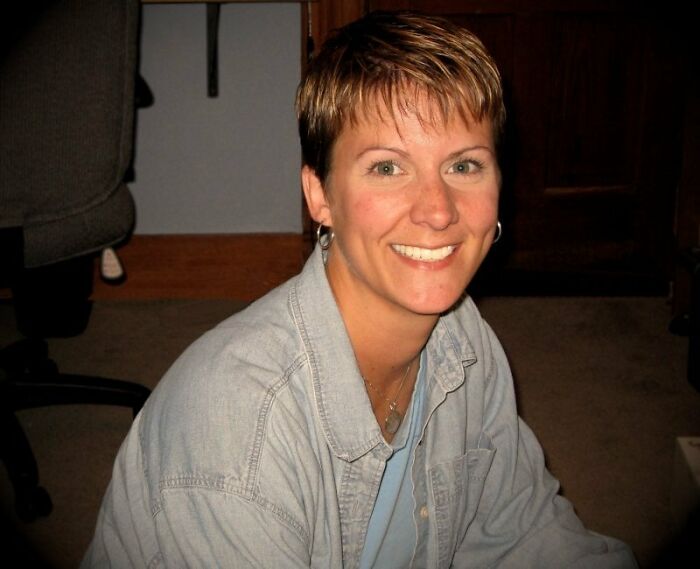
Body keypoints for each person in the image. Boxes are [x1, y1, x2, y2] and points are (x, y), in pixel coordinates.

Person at [82, 10, 638, 568]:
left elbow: (524, 532)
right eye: (387, 168)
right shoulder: (236, 436)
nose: (438, 211)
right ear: (319, 195)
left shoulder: (464, 343)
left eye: (464, 165)